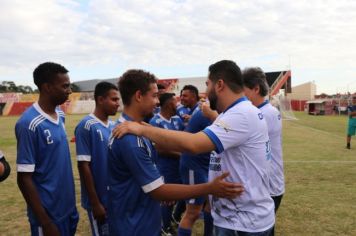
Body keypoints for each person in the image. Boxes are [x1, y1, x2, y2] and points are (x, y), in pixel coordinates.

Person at [114, 60, 275, 236]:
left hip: (243, 223)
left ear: (220, 85)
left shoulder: (241, 114)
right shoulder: (237, 112)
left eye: (208, 84)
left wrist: (143, 129)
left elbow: (193, 144)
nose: (205, 91)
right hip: (239, 218)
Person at [16, 62, 79, 236]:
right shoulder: (28, 124)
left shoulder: (60, 114)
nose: (69, 90)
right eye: (65, 86)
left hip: (67, 208)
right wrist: (45, 222)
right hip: (49, 216)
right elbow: (24, 178)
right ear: (47, 87)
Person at [75, 82, 120, 235]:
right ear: (100, 100)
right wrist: (95, 203)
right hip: (100, 200)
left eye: (118, 100)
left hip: (115, 197)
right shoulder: (86, 126)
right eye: (114, 100)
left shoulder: (114, 126)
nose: (117, 104)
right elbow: (83, 166)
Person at [243, 67, 285, 215]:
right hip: (266, 183)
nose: (240, 95)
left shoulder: (264, 113)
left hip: (269, 186)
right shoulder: (264, 111)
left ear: (255, 89)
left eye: (243, 91)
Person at [149, 92, 185, 235]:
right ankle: (165, 226)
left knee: (180, 194)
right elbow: (159, 149)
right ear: (170, 104)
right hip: (165, 167)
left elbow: (184, 139)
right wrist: (181, 154)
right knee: (167, 198)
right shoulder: (155, 122)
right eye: (175, 102)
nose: (178, 104)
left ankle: (173, 218)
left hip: (179, 166)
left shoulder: (178, 120)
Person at [178, 105, 213, 236]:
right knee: (193, 212)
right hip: (194, 165)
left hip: (208, 163)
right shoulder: (208, 111)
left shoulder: (214, 109)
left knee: (211, 205)